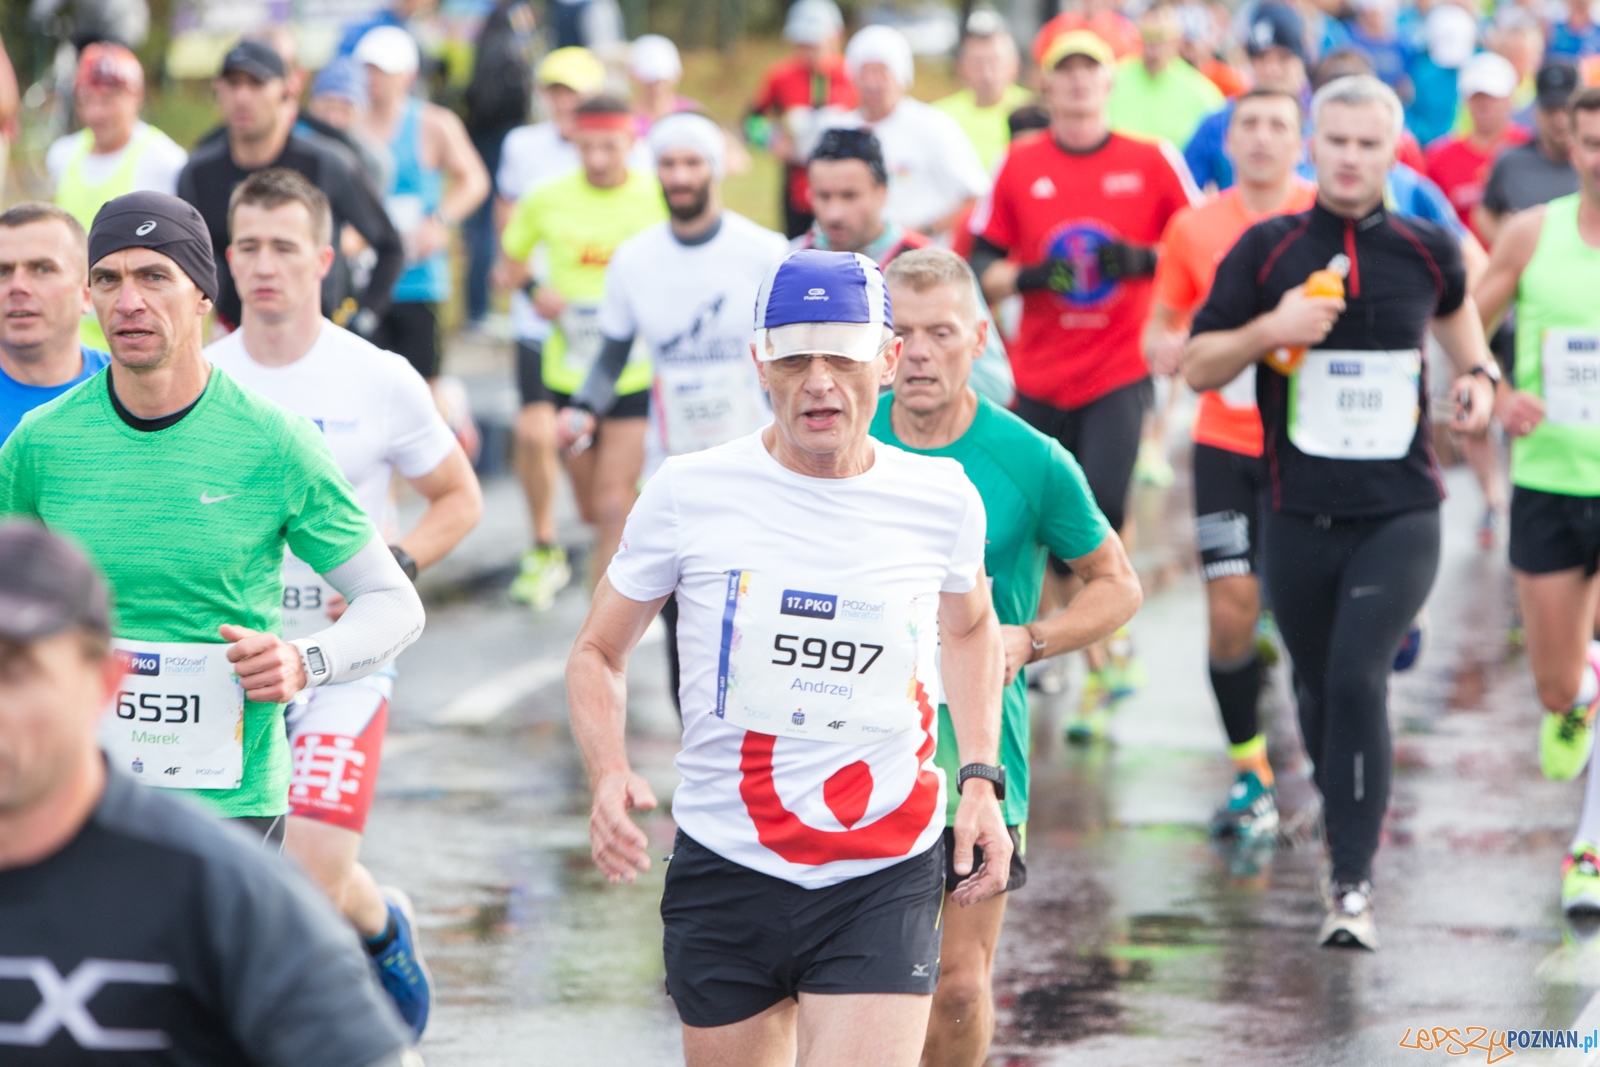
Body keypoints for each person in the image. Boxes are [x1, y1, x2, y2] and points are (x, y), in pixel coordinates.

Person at [566, 248, 1012, 1066]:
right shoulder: (688, 490)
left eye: (842, 357)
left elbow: (974, 628)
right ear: (758, 363)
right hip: (728, 862)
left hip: (882, 864)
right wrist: (606, 769)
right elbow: (598, 648)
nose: (819, 381)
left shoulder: (940, 496)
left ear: (885, 359)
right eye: (794, 357)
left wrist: (981, 776)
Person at [0, 191, 426, 851]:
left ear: (202, 294)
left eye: (154, 276)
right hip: (74, 794)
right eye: (108, 278)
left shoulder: (274, 442)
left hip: (229, 804)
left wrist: (302, 660)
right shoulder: (41, 443)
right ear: (90, 296)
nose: (129, 300)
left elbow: (395, 604)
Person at [1184, 75, 1497, 949]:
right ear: (1313, 148)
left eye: (1370, 144)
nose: (1353, 158)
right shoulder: (1268, 248)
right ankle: (1344, 810)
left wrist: (1478, 387)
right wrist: (1270, 326)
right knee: (1320, 689)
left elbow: (1473, 353)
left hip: (1402, 511)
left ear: (1395, 151)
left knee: (1361, 674)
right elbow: (1201, 364)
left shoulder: (1428, 248)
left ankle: (1350, 880)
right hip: (1297, 511)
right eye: (1339, 142)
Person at [206, 168, 483, 1036]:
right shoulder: (200, 377)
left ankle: (367, 940)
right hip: (228, 666)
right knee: (232, 870)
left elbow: (460, 498)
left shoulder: (380, 377)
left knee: (317, 871)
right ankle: (357, 934)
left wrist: (390, 565)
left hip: (345, 661)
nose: (264, 265)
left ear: (325, 258)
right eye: (247, 246)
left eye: (284, 247)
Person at [0, 522, 414, 1067]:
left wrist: (305, 660)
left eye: (16, 671)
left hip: (293, 712)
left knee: (319, 870)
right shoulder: (44, 439)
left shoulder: (228, 892)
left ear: (103, 683)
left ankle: (383, 929)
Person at [870, 249, 1140, 1067]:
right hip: (859, 733)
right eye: (901, 334)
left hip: (980, 746)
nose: (918, 352)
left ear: (979, 338)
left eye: (940, 332)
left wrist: (1028, 640)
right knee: (868, 981)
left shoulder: (1031, 460)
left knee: (956, 985)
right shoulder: (843, 438)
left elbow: (1115, 583)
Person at [970, 28, 1200, 739]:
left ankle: (1102, 652)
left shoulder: (1149, 159)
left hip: (1117, 369)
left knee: (1097, 508)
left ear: (1109, 83)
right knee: (1032, 526)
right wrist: (1036, 276)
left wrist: (1142, 259)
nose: (1076, 84)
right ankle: (1096, 649)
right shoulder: (1020, 163)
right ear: (1047, 84)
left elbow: (1197, 244)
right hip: (1038, 373)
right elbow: (984, 266)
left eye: (1089, 72)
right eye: (1063, 72)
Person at [555, 114, 787, 711]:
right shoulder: (635, 260)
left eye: (692, 163)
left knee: (759, 604)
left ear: (713, 169)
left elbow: (791, 354)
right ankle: (700, 739)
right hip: (675, 462)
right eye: (668, 164)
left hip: (758, 456)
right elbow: (611, 357)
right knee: (685, 609)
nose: (680, 176)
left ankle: (765, 729)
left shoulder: (763, 251)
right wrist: (583, 408)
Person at [1146, 90, 1315, 838]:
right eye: (1249, 124)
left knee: (1314, 612)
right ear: (1231, 139)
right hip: (1224, 443)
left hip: (1310, 446)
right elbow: (1165, 316)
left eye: (1278, 125)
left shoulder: (1324, 212)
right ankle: (1251, 770)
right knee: (1229, 611)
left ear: (1299, 139)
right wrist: (1161, 344)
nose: (1263, 138)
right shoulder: (1195, 226)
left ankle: (1332, 759)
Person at [1471, 87, 1600, 917]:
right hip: (1549, 482)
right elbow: (1460, 328)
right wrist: (1505, 389)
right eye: (1590, 144)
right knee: (1557, 685)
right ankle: (1575, 694)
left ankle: (1588, 848)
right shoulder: (1532, 232)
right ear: (1571, 146)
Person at [497, 95, 666, 599]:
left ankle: (601, 638)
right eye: (586, 147)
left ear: (631, 142)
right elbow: (509, 260)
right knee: (593, 510)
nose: (596, 159)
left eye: (609, 147)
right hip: (569, 375)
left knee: (614, 507)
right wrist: (533, 292)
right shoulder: (547, 197)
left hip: (633, 375)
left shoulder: (654, 197)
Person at [178, 40, 403, 336]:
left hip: (318, 336)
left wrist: (365, 319)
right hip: (236, 338)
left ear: (287, 90)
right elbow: (184, 264)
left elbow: (390, 246)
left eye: (256, 84)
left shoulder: (325, 163)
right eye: (232, 83)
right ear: (218, 89)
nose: (242, 96)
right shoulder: (198, 172)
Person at [798, 128, 1014, 407]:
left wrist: (890, 378)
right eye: (823, 196)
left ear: (883, 192)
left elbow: (994, 385)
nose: (834, 213)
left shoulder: (937, 267)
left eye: (849, 196)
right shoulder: (790, 262)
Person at [353, 26, 490, 385]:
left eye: (382, 71)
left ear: (408, 75)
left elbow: (474, 180)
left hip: (419, 279)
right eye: (368, 70)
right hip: (363, 279)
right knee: (365, 386)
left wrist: (440, 220)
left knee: (423, 387)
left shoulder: (433, 124)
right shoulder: (348, 126)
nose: (374, 80)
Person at [47, 43, 187, 352]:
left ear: (135, 96)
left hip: (134, 324)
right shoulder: (62, 155)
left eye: (108, 100)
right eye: (86, 100)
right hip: (72, 327)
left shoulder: (164, 160)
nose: (96, 112)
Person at [813, 25, 991, 237]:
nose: (872, 83)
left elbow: (977, 197)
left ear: (901, 76)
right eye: (865, 72)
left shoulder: (932, 125)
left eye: (881, 72)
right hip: (852, 259)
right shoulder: (837, 130)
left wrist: (923, 231)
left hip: (921, 259)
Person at [745, 0, 857, 238]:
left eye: (815, 43)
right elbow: (751, 122)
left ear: (837, 36)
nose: (809, 51)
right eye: (803, 44)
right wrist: (772, 140)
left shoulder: (852, 74)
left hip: (847, 180)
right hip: (799, 184)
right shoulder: (780, 77)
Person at [0, 204, 110, 443]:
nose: (18, 286)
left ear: (87, 293)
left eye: (42, 269)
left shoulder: (128, 391)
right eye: (3, 271)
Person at [461, 0, 536, 329]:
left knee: (481, 222)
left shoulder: (485, 34)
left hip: (483, 133)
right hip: (496, 135)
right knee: (489, 219)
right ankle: (479, 309)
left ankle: (478, 308)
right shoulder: (507, 37)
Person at [1184, 2, 1308, 193]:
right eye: (1261, 58)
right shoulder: (1218, 123)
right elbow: (1187, 191)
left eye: (1283, 58)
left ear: (1302, 61)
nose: (1271, 69)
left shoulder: (1322, 120)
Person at [1424, 51, 1529, 240]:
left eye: (1492, 96)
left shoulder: (1529, 149)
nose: (1484, 105)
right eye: (1477, 97)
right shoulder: (1439, 156)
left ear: (1510, 98)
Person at [1478, 61, 1581, 245]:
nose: (1559, 119)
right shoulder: (1511, 162)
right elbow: (1485, 214)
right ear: (1536, 111)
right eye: (1550, 109)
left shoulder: (1593, 162)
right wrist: (1510, 244)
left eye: (1566, 108)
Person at [1109, 0, 1225, 149]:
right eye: (1148, 36)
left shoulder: (1201, 92)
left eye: (1161, 37)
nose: (1153, 47)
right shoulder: (1112, 79)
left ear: (1177, 39)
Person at [934, 12, 1033, 172]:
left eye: (995, 62)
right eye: (977, 63)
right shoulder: (939, 117)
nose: (987, 73)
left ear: (1016, 66)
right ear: (960, 68)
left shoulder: (1033, 111)